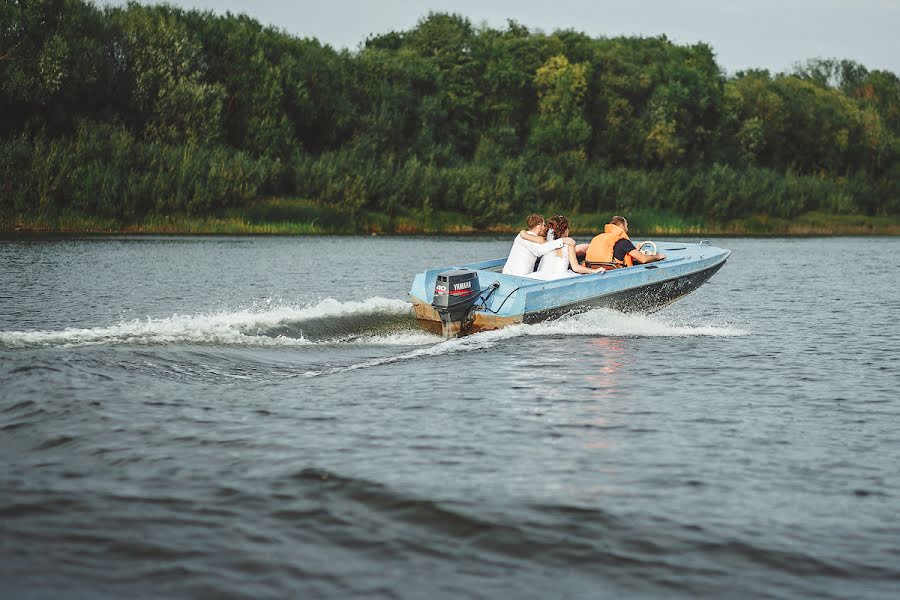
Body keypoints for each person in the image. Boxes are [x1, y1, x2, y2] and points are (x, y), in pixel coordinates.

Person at [531, 215, 604, 279]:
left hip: (543, 277)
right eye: (568, 227)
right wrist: (594, 270)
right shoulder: (569, 244)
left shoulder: (547, 243)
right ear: (565, 229)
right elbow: (576, 268)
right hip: (562, 277)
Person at [502, 214, 576, 276]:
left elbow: (543, 244)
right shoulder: (527, 238)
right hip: (518, 275)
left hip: (509, 273)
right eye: (544, 225)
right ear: (539, 226)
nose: (545, 228)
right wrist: (562, 241)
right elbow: (539, 251)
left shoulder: (525, 236)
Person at [584, 216, 666, 268]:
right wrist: (657, 257)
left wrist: (635, 249)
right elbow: (643, 259)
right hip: (615, 272)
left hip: (595, 269)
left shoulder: (598, 238)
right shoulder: (623, 241)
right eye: (627, 226)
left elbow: (616, 253)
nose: (627, 228)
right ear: (622, 226)